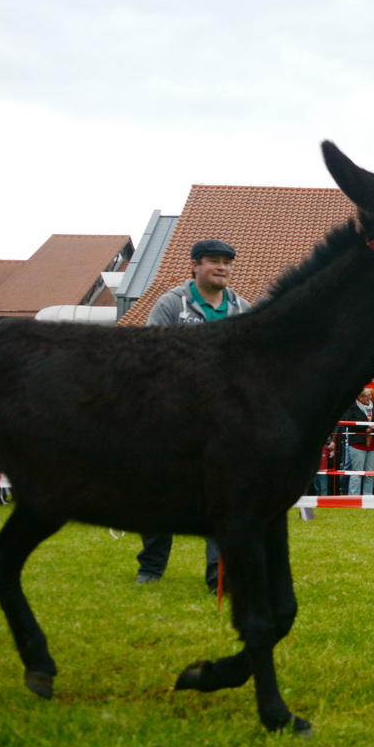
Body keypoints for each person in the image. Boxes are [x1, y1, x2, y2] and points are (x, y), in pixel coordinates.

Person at [137, 239, 250, 589]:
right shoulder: (172, 304)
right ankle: (151, 568)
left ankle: (219, 576)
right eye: (214, 261)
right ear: (196, 266)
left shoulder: (241, 308)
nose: (222, 267)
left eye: (227, 262)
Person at [343, 389, 374, 495]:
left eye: (370, 395)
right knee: (357, 472)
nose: (370, 398)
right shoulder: (352, 407)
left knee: (370, 473)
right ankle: (354, 498)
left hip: (373, 443)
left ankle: (368, 497)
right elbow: (348, 422)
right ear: (360, 397)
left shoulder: (373, 405)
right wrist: (366, 426)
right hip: (358, 443)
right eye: (367, 396)